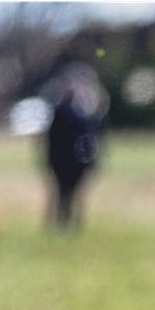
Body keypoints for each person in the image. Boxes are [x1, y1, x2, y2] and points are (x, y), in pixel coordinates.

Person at [42, 63, 108, 229]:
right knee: (63, 193)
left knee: (73, 194)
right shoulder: (64, 111)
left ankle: (70, 223)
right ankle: (61, 223)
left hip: (76, 161)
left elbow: (96, 137)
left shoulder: (88, 111)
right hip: (63, 160)